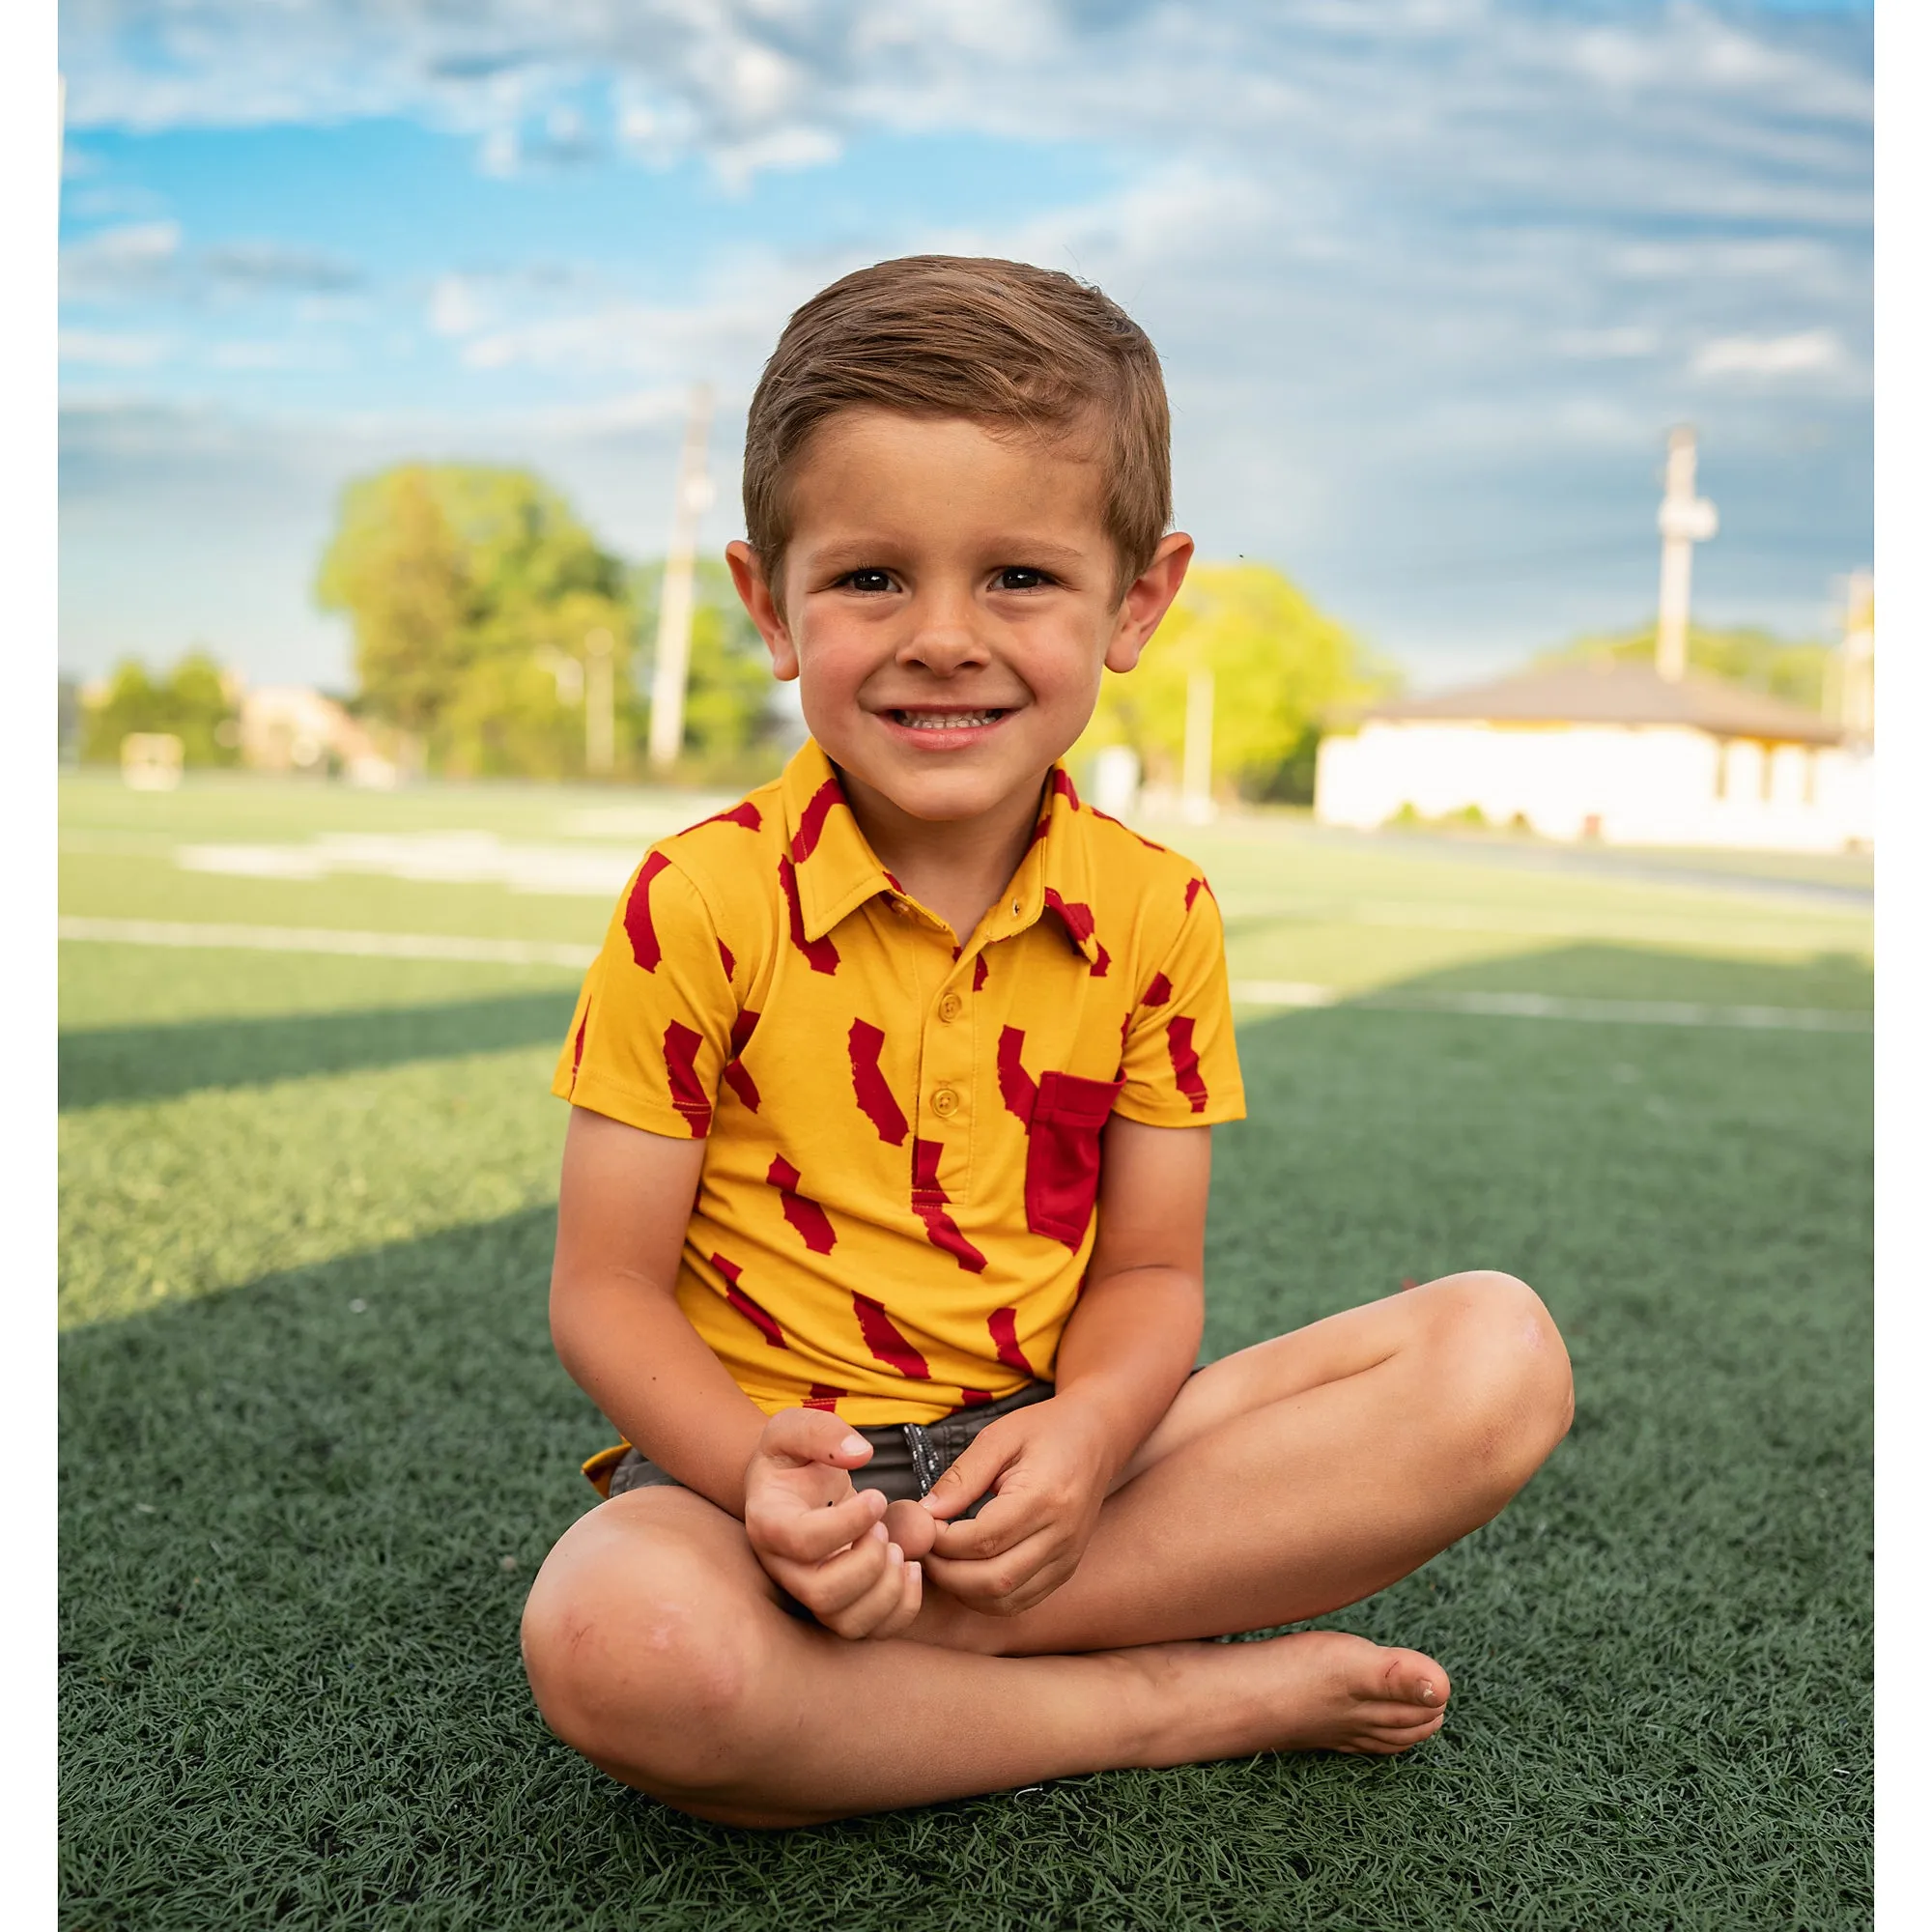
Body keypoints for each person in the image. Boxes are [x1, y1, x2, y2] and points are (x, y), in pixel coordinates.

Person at [520, 256, 1574, 1828]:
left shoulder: (1158, 915)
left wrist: (1083, 1440)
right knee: (625, 1646)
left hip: (1053, 1478)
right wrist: (757, 1482)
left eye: (1019, 577)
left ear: (1136, 597)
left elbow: (1151, 1276)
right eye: (872, 578)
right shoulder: (702, 896)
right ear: (770, 605)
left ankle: (871, 1688)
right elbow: (603, 1289)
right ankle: (1156, 1701)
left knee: (1497, 1357)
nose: (944, 637)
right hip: (761, 1494)